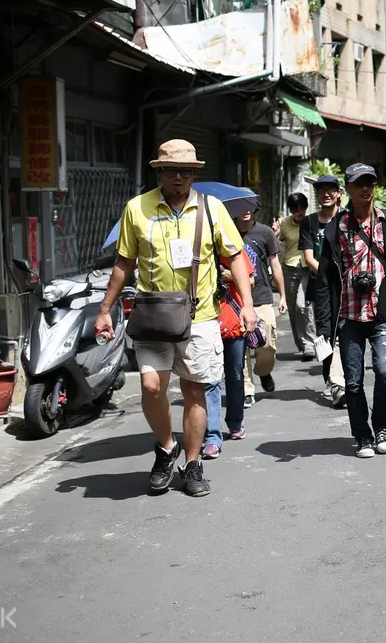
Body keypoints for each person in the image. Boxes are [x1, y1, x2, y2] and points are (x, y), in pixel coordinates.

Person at [95, 139, 253, 497]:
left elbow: (237, 257)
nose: (177, 176)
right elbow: (124, 262)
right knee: (151, 387)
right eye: (170, 170)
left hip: (200, 316)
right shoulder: (138, 208)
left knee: (194, 389)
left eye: (185, 170)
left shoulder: (211, 209)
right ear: (159, 171)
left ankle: (193, 463)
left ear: (195, 173)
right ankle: (167, 447)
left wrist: (247, 304)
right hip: (153, 314)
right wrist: (105, 308)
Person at [312, 164, 386, 458]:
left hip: (381, 313)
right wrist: (323, 327)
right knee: (353, 381)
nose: (366, 188)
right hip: (348, 317)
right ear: (347, 189)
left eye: (370, 183)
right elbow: (324, 282)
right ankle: (362, 435)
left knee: (385, 372)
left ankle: (381, 426)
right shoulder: (335, 229)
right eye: (359, 183)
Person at [203, 240, 259, 458]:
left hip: (234, 321)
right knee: (210, 379)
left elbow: (251, 280)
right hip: (206, 322)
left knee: (235, 375)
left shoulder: (234, 251)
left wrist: (226, 274)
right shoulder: (196, 250)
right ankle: (212, 435)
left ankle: (235, 422)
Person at [231, 196, 286, 408]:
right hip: (235, 300)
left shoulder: (265, 233)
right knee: (240, 347)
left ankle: (263, 371)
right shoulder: (227, 232)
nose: (245, 210)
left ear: (256, 209)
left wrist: (281, 295)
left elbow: (275, 264)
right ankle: (247, 390)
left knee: (267, 344)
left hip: (262, 297)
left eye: (250, 206)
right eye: (241, 206)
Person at [301, 174, 346, 405]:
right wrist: (329, 273)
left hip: (345, 287)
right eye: (321, 190)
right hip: (319, 287)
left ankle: (340, 381)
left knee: (343, 332)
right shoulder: (309, 222)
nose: (325, 194)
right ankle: (331, 380)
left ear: (339, 193)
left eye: (330, 190)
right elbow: (309, 258)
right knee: (324, 334)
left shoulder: (347, 219)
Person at [274, 192, 315, 360]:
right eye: (295, 209)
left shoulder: (312, 221)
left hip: (307, 267)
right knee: (292, 308)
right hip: (289, 269)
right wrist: (275, 233)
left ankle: (309, 345)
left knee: (302, 305)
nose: (299, 212)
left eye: (302, 208)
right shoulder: (284, 223)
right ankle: (301, 344)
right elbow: (277, 243)